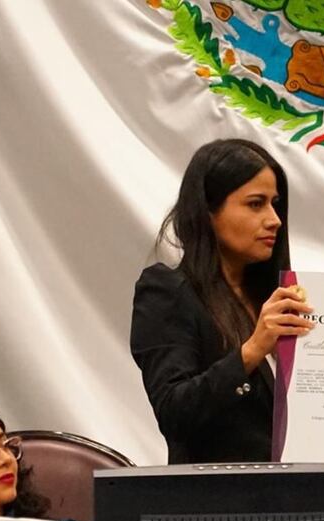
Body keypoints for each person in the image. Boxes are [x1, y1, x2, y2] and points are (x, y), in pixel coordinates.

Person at [131, 139, 313, 463]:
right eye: (256, 204)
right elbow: (174, 412)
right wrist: (252, 351)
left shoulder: (276, 300)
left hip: (300, 496)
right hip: (217, 506)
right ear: (208, 211)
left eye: (275, 203)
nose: (274, 220)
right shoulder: (167, 291)